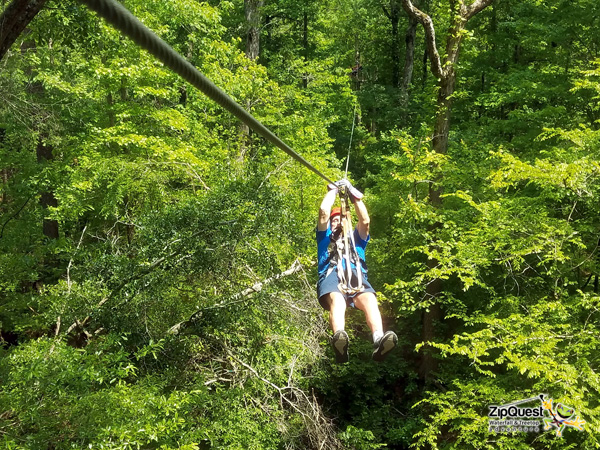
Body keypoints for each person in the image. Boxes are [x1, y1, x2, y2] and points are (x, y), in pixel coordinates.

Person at [316, 179, 397, 363]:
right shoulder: (325, 239)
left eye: (341, 219)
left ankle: (379, 339)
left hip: (356, 278)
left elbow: (365, 221)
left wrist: (354, 196)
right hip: (332, 275)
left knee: (370, 299)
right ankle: (339, 339)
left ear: (347, 222)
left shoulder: (356, 241)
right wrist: (333, 190)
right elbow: (323, 213)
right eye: (334, 220)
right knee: (337, 299)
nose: (337, 222)